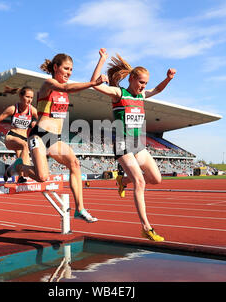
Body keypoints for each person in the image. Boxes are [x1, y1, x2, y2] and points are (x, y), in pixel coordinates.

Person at [5, 53, 108, 223]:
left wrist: (101, 60)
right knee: (42, 177)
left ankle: (80, 209)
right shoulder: (48, 84)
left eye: (71, 70)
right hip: (39, 135)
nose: (69, 72)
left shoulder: (66, 86)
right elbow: (68, 88)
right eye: (66, 69)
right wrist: (92, 83)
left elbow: (91, 82)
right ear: (55, 67)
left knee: (75, 164)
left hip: (55, 138)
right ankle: (19, 166)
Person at [91, 48, 176, 241]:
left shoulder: (141, 96)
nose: (143, 86)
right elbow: (95, 84)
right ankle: (147, 227)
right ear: (131, 79)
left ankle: (123, 181)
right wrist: (102, 60)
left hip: (139, 146)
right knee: (141, 181)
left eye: (145, 83)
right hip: (123, 146)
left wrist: (168, 78)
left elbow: (158, 89)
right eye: (141, 82)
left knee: (156, 179)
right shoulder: (118, 93)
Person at [0, 86, 38, 183]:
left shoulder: (33, 110)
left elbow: (41, 121)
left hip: (24, 138)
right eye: (27, 97)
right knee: (24, 145)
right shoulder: (13, 109)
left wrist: (35, 123)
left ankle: (11, 173)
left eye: (31, 98)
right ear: (21, 97)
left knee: (19, 159)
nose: (30, 100)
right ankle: (27, 171)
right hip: (12, 136)